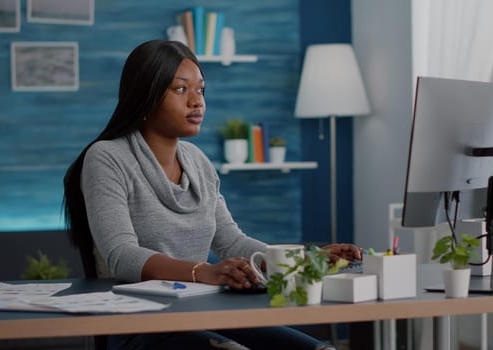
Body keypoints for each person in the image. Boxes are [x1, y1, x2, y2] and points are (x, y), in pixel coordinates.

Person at [63, 39, 362, 350]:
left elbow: (232, 241)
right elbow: (121, 254)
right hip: (140, 325)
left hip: (203, 314)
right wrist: (204, 271)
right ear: (146, 95)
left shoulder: (198, 161)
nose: (197, 101)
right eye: (181, 89)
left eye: (201, 90)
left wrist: (307, 259)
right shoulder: (106, 158)